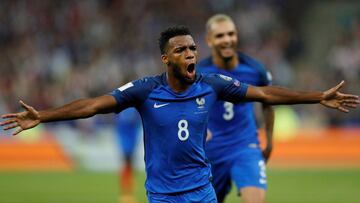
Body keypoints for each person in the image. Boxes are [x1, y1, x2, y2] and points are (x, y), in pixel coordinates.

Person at [1, 26, 358, 203]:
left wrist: (317, 97)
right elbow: (92, 105)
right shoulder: (144, 90)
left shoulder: (212, 84)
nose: (190, 54)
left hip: (202, 191)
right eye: (181, 50)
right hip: (162, 195)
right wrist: (43, 116)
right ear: (166, 59)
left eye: (192, 48)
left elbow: (264, 93)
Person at [197, 14, 273, 203]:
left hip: (245, 146)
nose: (227, 40)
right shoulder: (198, 74)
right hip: (211, 151)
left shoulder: (255, 70)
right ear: (209, 40)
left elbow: (268, 103)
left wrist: (270, 141)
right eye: (220, 35)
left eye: (231, 34)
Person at [114, 107, 142, 203]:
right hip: (127, 142)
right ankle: (127, 194)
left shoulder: (126, 110)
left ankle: (128, 192)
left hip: (129, 141)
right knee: (128, 165)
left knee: (129, 166)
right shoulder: (130, 111)